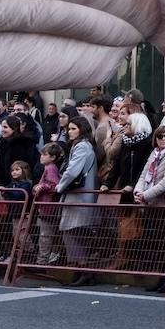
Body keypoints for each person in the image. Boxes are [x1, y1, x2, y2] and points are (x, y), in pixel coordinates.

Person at [56, 116, 100, 281]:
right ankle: (81, 269)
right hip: (80, 194)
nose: (70, 132)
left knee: (71, 231)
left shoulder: (82, 146)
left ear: (82, 129)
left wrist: (59, 187)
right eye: (69, 129)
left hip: (79, 195)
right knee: (75, 232)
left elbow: (73, 171)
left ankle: (84, 268)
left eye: (74, 128)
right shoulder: (83, 145)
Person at [32, 142, 64, 265]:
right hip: (47, 207)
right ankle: (47, 258)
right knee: (47, 235)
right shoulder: (48, 168)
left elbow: (54, 185)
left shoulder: (50, 168)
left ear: (53, 157)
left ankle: (42, 262)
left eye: (45, 154)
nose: (41, 157)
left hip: (48, 207)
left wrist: (42, 186)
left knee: (45, 236)